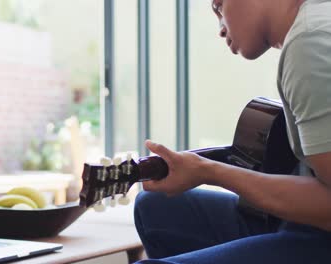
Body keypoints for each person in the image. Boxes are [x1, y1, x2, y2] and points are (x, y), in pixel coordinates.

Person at [134, 0, 331, 263]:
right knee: (155, 207)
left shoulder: (308, 43)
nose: (220, 28)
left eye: (219, 5)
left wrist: (209, 171)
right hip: (306, 227)